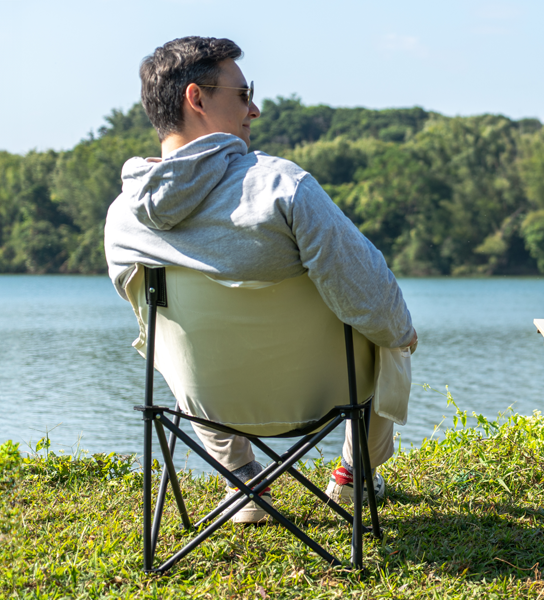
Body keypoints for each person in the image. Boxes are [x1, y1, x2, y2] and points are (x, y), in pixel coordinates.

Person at [104, 37, 416, 523]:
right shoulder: (283, 188)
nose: (256, 109)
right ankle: (354, 477)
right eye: (244, 94)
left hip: (209, 401)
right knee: (388, 324)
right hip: (325, 393)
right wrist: (402, 333)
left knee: (172, 339)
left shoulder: (122, 220)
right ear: (197, 98)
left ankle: (245, 483)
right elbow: (373, 296)